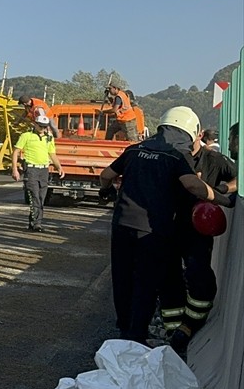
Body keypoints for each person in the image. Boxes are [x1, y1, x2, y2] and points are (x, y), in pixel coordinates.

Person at [97, 106, 230, 345]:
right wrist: (221, 198)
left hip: (122, 224)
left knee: (123, 278)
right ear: (191, 132)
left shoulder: (134, 150)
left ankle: (124, 329)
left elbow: (106, 175)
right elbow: (193, 186)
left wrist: (105, 191)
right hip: (152, 231)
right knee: (146, 283)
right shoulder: (175, 156)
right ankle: (135, 337)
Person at [162, 127, 237, 355]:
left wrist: (223, 189)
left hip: (197, 231)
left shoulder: (213, 159)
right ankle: (172, 333)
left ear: (198, 134)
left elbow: (239, 176)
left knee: (199, 276)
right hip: (169, 228)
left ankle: (189, 326)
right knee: (168, 279)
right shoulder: (170, 157)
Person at [11, 115, 65, 232]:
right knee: (34, 196)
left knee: (41, 197)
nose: (42, 129)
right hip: (31, 170)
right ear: (35, 124)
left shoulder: (49, 137)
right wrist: (14, 169)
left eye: (44, 127)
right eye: (40, 126)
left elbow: (52, 154)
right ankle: (37, 223)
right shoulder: (26, 136)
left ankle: (34, 222)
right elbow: (16, 152)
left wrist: (59, 167)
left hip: (44, 170)